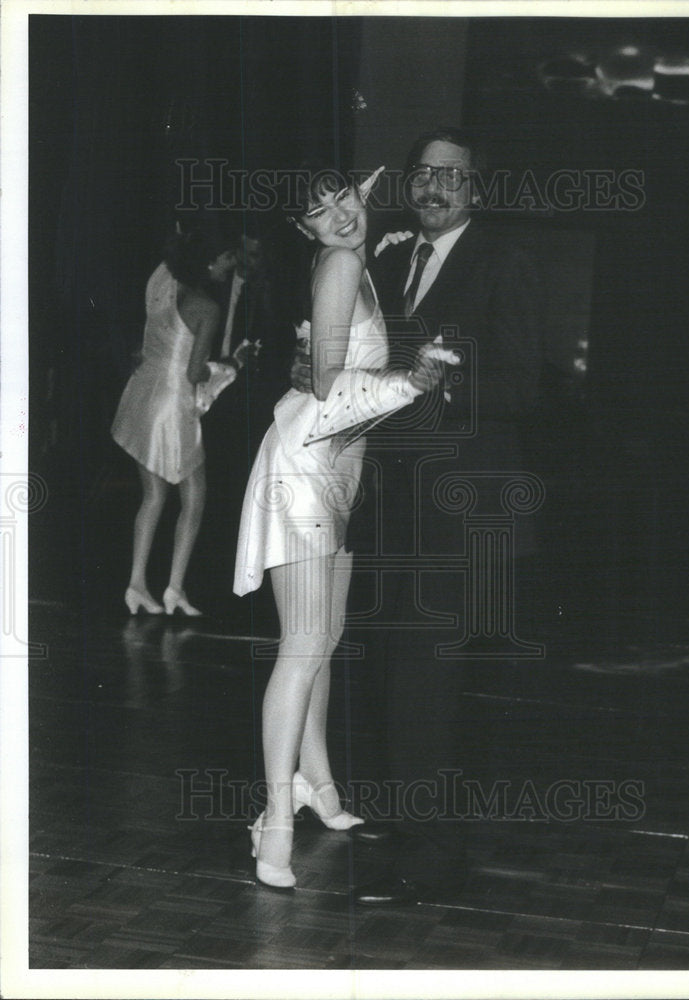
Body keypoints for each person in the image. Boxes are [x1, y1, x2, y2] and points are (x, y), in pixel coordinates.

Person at [294, 128, 545, 905]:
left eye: (453, 177)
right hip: (389, 510)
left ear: (476, 189)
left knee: (425, 685)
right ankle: (411, 824)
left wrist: (437, 381)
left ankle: (430, 861)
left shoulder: (505, 260)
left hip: (464, 515)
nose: (436, 188)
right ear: (408, 187)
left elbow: (523, 390)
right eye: (424, 176)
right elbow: (357, 376)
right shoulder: (388, 260)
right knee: (399, 681)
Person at [233, 165, 454, 890]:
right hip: (305, 467)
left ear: (362, 193)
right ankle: (274, 820)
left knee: (322, 640)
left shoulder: (358, 261)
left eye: (345, 198)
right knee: (302, 646)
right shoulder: (337, 262)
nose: (340, 216)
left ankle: (317, 785)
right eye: (320, 212)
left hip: (339, 470)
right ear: (305, 230)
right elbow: (330, 386)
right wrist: (411, 382)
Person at [111, 228, 238, 617]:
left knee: (153, 497)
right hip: (171, 404)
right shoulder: (207, 308)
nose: (230, 265)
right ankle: (174, 588)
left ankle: (137, 584)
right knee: (194, 498)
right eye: (226, 258)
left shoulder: (160, 284)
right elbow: (196, 371)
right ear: (209, 262)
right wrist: (230, 367)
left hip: (141, 392)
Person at [199, 219, 293, 614]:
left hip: (245, 400)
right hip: (207, 387)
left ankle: (233, 583)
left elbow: (275, 352)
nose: (247, 261)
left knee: (235, 485)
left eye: (255, 254)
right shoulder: (213, 283)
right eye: (243, 252)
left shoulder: (272, 292)